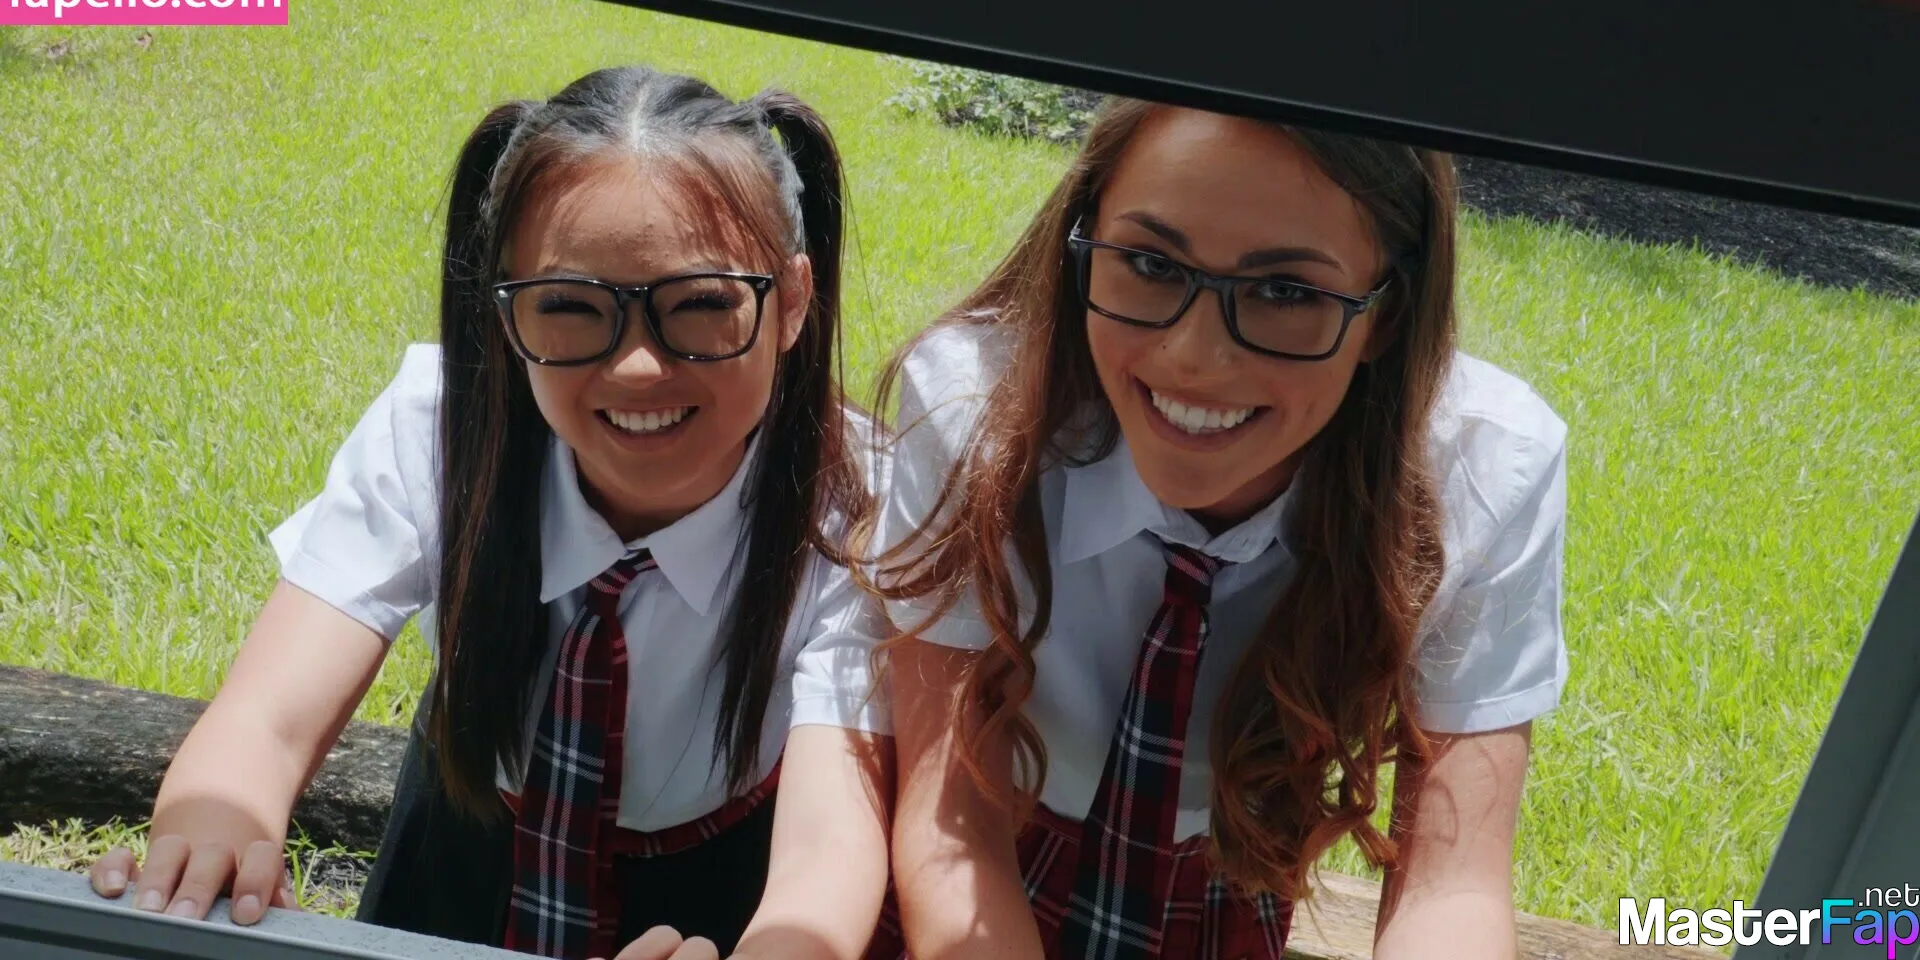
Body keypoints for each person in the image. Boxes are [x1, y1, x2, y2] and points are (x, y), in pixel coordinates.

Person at [86, 64, 894, 960]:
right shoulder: (439, 427)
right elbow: (265, 720)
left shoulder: (863, 510)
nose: (637, 368)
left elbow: (825, 850)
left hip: (721, 893)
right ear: (503, 313)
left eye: (701, 304)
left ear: (793, 301)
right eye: (570, 307)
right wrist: (207, 844)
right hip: (461, 850)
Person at [857, 97, 1569, 960]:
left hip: (1223, 881)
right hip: (978, 870)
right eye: (1150, 264)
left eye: (1286, 292)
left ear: (1386, 311)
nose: (1193, 357)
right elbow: (954, 820)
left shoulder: (1485, 473)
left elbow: (1450, 887)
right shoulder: (974, 409)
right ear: (1085, 238)